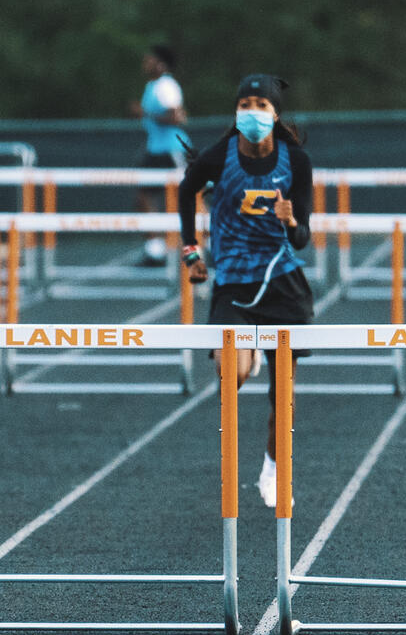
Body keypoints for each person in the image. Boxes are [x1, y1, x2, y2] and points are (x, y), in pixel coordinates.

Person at [178, 74, 314, 508]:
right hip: (234, 283)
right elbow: (186, 190)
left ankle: (273, 467)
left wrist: (291, 221)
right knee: (230, 373)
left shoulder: (295, 160)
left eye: (260, 104)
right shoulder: (220, 156)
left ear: (275, 113)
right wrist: (190, 251)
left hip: (282, 285)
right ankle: (245, 358)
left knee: (283, 399)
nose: (251, 111)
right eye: (245, 104)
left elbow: (302, 239)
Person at [132, 45, 189, 265]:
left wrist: (144, 113)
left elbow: (176, 118)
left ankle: (213, 246)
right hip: (155, 149)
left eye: (149, 60)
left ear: (161, 64)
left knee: (190, 198)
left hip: (173, 149)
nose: (144, 64)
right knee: (142, 198)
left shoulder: (166, 86)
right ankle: (156, 250)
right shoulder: (152, 86)